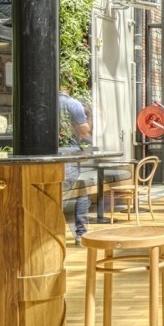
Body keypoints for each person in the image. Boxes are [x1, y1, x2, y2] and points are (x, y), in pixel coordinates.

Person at [59, 87, 93, 243]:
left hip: (47, 154)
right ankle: (81, 233)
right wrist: (89, 116)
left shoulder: (45, 102)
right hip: (68, 153)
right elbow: (85, 132)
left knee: (55, 192)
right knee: (78, 192)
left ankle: (51, 231)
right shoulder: (73, 104)